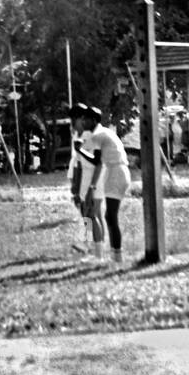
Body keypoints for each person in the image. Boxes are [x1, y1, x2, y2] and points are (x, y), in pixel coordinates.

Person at [78, 107, 131, 267]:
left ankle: (115, 255)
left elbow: (96, 162)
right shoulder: (103, 133)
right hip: (115, 171)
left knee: (108, 216)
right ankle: (113, 254)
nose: (83, 122)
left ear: (94, 120)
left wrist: (78, 150)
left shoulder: (98, 135)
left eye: (85, 119)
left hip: (116, 171)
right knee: (107, 216)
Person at [68, 103, 98, 255]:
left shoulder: (90, 136)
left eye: (75, 120)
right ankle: (86, 242)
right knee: (84, 211)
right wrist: (75, 183)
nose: (73, 124)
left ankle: (91, 244)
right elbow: (77, 162)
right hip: (81, 177)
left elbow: (94, 162)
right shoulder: (77, 136)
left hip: (90, 178)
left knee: (90, 211)